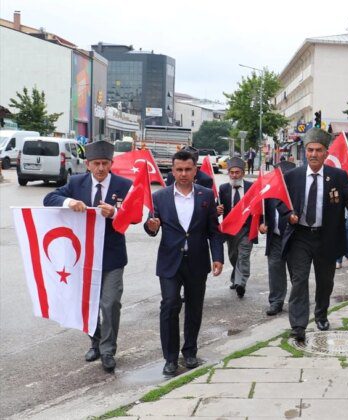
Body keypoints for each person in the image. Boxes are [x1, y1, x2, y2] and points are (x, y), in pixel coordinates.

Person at [43, 140, 132, 373]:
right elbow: (48, 200)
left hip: (112, 256)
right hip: (84, 257)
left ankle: (108, 350)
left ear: (111, 163)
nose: (101, 168)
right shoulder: (76, 183)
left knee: (110, 303)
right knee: (89, 304)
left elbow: (134, 216)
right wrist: (70, 202)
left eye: (105, 163)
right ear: (88, 164)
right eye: (96, 164)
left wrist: (115, 213)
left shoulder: (124, 185)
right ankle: (95, 341)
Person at [279, 128, 348, 342]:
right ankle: (298, 325)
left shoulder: (338, 176)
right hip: (300, 236)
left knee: (325, 281)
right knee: (299, 281)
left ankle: (321, 314)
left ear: (326, 153)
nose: (313, 154)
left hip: (327, 237)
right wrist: (288, 215)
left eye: (318, 150)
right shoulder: (292, 177)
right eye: (310, 150)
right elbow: (279, 200)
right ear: (305, 152)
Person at [144, 149, 224, 376]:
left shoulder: (206, 196)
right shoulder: (160, 197)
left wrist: (217, 257)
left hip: (197, 261)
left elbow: (214, 232)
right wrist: (151, 227)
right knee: (169, 305)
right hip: (170, 262)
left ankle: (190, 351)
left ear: (195, 170)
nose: (183, 174)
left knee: (195, 307)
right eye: (179, 169)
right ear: (173, 170)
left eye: (188, 169)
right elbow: (151, 225)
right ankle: (170, 357)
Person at [216, 157, 255, 298]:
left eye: (237, 172)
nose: (234, 175)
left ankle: (241, 284)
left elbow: (259, 206)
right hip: (230, 229)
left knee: (243, 256)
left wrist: (262, 222)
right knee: (233, 256)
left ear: (243, 173)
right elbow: (217, 206)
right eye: (231, 172)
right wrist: (217, 209)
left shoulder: (251, 187)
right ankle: (235, 278)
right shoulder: (223, 189)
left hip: (247, 228)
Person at [259, 198, 289, 315]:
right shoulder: (271, 188)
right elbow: (261, 209)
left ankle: (299, 301)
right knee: (275, 267)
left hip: (295, 237)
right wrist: (261, 223)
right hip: (275, 237)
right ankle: (276, 301)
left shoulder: (295, 184)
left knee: (297, 271)